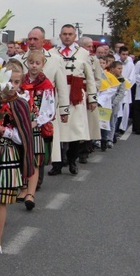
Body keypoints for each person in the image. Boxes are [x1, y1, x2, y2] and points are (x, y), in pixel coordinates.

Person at [0, 60, 34, 259]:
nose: (12, 85)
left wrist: (5, 131)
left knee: (1, 200)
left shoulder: (20, 104)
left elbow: (24, 137)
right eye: (9, 81)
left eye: (17, 82)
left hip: (8, 155)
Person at [48, 24, 97, 175]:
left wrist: (92, 97)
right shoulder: (51, 53)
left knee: (75, 131)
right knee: (57, 131)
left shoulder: (83, 53)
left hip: (76, 96)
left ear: (75, 36)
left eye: (70, 34)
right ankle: (57, 163)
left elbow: (90, 77)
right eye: (64, 34)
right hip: (57, 95)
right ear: (60, 35)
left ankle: (72, 161)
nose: (67, 36)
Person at [21, 27, 69, 169]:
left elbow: (62, 86)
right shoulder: (19, 59)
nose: (32, 42)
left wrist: (64, 110)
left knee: (42, 144)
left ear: (43, 41)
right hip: (25, 108)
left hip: (46, 108)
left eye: (35, 39)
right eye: (29, 39)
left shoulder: (55, 60)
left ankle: (38, 173)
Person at [19, 50, 55, 206]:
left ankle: (30, 194)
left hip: (35, 127)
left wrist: (37, 121)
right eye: (31, 62)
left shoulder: (46, 85)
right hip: (21, 125)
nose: (34, 66)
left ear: (43, 65)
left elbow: (50, 109)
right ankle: (23, 187)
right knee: (21, 158)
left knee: (34, 160)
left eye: (37, 63)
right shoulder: (21, 82)